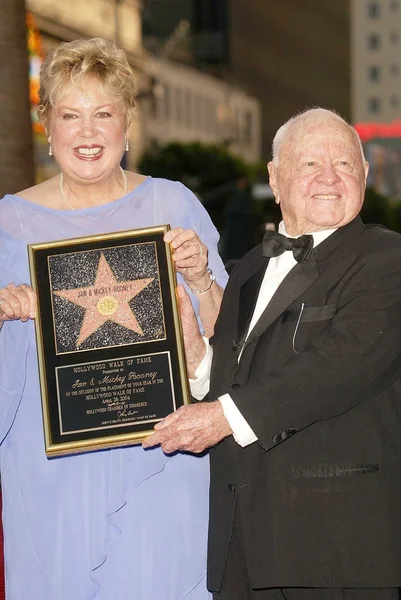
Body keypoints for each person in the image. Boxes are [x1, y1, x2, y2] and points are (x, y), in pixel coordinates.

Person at [0, 37, 228, 600]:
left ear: (127, 124)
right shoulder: (8, 224)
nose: (88, 131)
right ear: (47, 127)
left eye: (104, 113)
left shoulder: (172, 206)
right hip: (49, 468)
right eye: (70, 115)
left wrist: (200, 279)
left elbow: (234, 339)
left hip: (160, 455)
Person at [144, 108, 401, 600]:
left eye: (344, 164)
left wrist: (220, 416)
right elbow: (232, 378)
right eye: (309, 165)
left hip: (336, 549)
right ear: (275, 177)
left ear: (364, 175)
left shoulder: (387, 261)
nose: (329, 177)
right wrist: (198, 358)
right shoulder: (249, 268)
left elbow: (339, 364)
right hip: (243, 547)